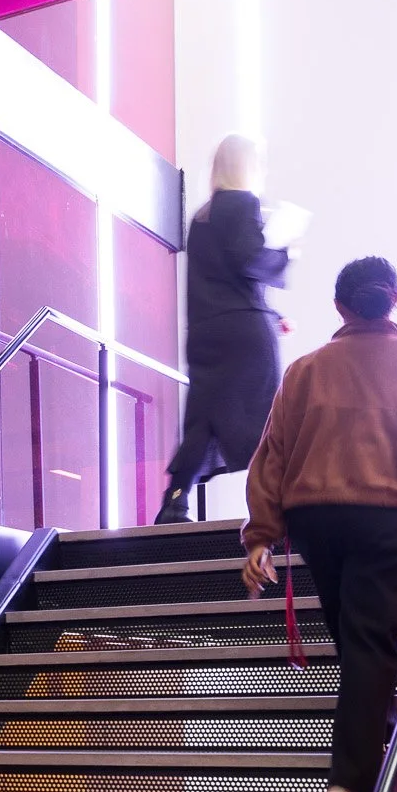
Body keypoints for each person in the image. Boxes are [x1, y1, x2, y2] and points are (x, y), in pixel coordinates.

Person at [242, 256, 397, 792]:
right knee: (369, 640)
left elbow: (272, 456)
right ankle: (351, 783)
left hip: (316, 519)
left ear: (339, 306)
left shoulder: (305, 370)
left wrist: (261, 536)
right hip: (388, 516)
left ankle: (378, 729)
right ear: (395, 297)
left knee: (355, 638)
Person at [158, 135, 299, 523]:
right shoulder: (244, 204)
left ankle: (175, 500)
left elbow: (221, 280)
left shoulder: (201, 218)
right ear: (248, 167)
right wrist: (285, 253)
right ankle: (281, 502)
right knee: (268, 417)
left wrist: (270, 314)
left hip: (207, 334)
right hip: (246, 337)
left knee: (203, 419)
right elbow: (248, 259)